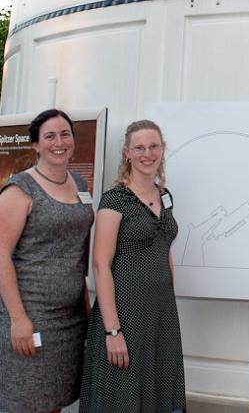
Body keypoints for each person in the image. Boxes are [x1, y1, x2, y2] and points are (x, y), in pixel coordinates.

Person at [0, 108, 95, 413]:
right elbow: (0, 256)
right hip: (29, 315)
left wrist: (84, 303)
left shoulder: (79, 184)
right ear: (35, 144)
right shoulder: (20, 189)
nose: (59, 142)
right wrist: (18, 319)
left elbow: (78, 249)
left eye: (65, 134)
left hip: (69, 319)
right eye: (49, 136)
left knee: (54, 403)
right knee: (25, 402)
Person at [79, 120, 186, 412]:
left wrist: (167, 302)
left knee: (159, 389)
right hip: (124, 313)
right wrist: (113, 332)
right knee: (123, 393)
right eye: (139, 147)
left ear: (163, 150)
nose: (147, 153)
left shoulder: (166, 196)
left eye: (153, 146)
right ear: (127, 153)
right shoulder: (115, 200)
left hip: (161, 312)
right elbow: (101, 265)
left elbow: (165, 251)